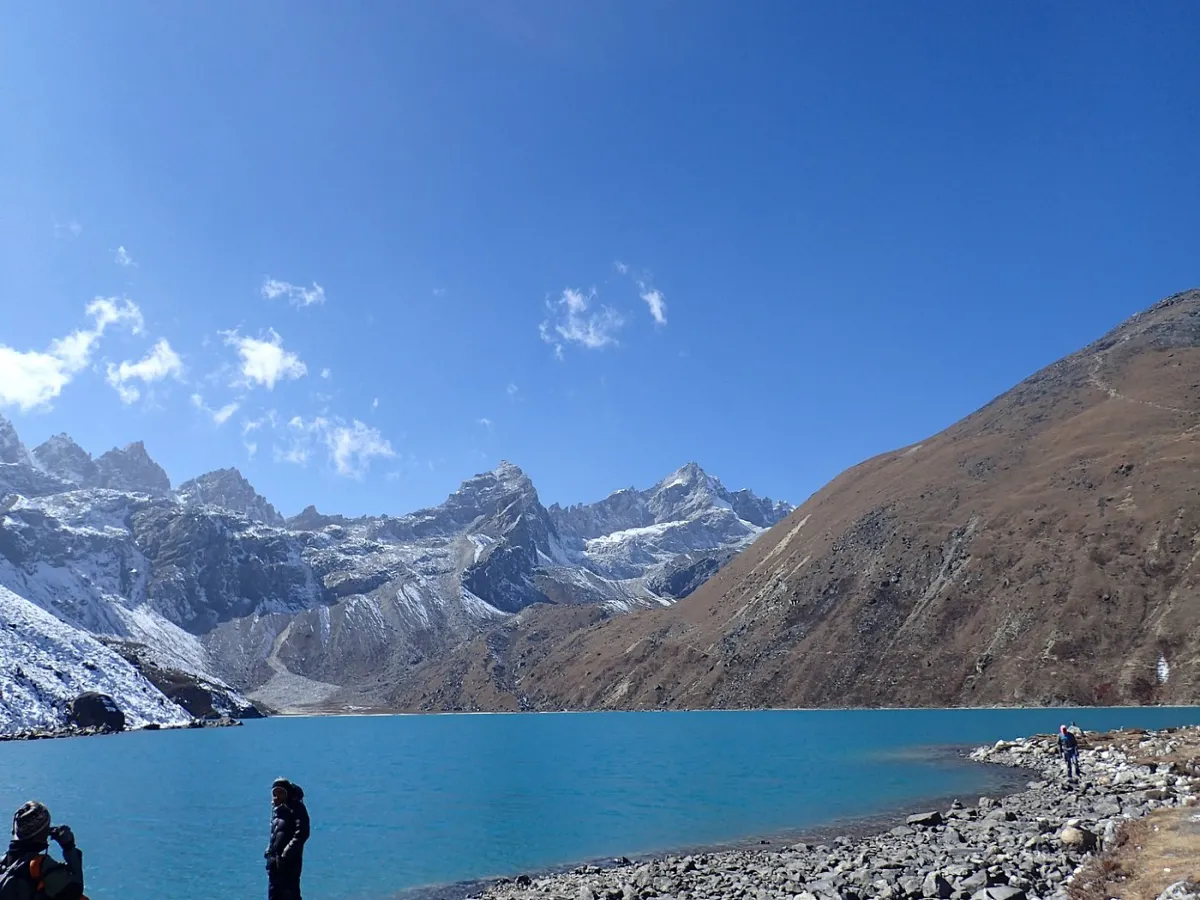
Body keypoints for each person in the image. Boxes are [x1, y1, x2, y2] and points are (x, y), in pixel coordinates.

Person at [0, 801, 84, 899]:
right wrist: (69, 848)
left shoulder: (3, 864)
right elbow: (75, 889)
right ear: (42, 832)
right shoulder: (39, 865)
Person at [265, 778, 309, 900]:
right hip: (274, 864)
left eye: (280, 793)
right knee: (274, 895)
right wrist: (269, 852)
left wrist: (286, 854)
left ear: (287, 794)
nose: (276, 797)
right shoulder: (277, 812)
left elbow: (302, 833)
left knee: (290, 894)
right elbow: (275, 835)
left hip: (289, 864)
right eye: (274, 793)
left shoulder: (297, 809)